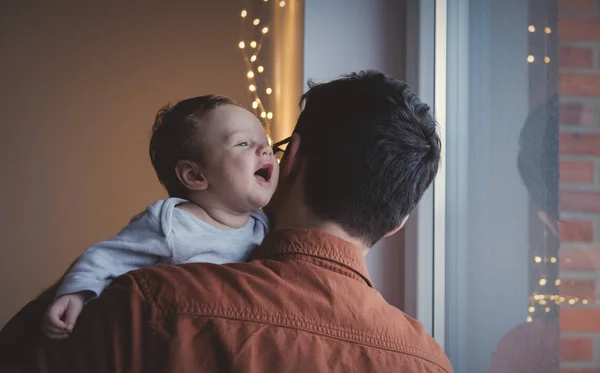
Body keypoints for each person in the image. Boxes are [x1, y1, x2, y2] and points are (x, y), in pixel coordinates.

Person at [0, 70, 452, 372]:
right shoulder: (430, 362)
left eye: (267, 146)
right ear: (398, 222)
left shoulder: (150, 302)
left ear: (290, 158)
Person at [41, 94, 278, 339]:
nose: (266, 150)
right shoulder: (173, 224)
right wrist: (75, 294)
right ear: (194, 175)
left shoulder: (264, 225)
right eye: (243, 144)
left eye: (266, 141)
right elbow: (107, 257)